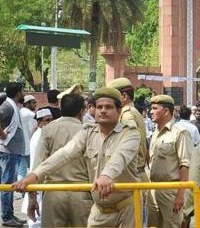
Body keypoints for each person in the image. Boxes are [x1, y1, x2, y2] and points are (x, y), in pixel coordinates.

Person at [14, 86, 141, 227]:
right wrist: (34, 175)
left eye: (108, 107)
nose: (103, 110)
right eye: (99, 107)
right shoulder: (87, 132)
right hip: (99, 209)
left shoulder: (130, 133)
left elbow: (120, 157)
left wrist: (106, 175)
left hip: (126, 209)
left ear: (119, 111)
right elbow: (65, 154)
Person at [27, 94, 91, 227]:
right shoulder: (89, 131)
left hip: (53, 193)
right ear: (81, 111)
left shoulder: (48, 129)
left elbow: (38, 164)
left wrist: (32, 197)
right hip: (82, 193)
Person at [147, 95, 193, 228]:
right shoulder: (155, 132)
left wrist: (180, 195)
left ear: (166, 111)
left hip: (171, 191)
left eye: (155, 108)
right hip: (153, 189)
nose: (151, 111)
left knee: (171, 225)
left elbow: (185, 165)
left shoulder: (180, 132)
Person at [0, 82, 27, 227]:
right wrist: (2, 134)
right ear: (18, 93)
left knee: (9, 184)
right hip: (7, 150)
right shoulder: (8, 106)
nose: (22, 94)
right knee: (7, 184)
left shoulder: (12, 105)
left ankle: (10, 214)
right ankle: (6, 217)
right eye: (22, 91)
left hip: (12, 151)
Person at [107, 78, 149, 182]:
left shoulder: (127, 115)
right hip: (137, 173)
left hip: (132, 176)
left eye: (111, 98)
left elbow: (129, 143)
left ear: (124, 96)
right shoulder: (133, 111)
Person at [21, 108, 53, 228]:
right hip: (38, 178)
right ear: (39, 122)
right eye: (47, 120)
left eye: (51, 120)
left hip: (39, 178)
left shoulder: (43, 134)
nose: (50, 123)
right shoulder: (41, 135)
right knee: (37, 218)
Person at [18, 95, 37, 182]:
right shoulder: (31, 115)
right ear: (27, 104)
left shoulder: (18, 112)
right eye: (33, 102)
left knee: (21, 170)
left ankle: (21, 191)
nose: (35, 104)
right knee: (34, 169)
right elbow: (33, 130)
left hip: (20, 147)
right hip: (30, 146)